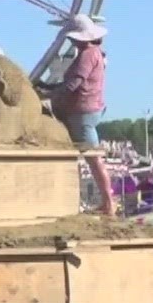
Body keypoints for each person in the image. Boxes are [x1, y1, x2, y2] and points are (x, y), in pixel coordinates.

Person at [48, 15, 115, 217]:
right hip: (89, 109)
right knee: (91, 157)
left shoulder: (87, 55)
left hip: (82, 112)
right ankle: (107, 203)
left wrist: (51, 94)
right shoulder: (96, 54)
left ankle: (109, 204)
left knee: (94, 158)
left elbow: (74, 83)